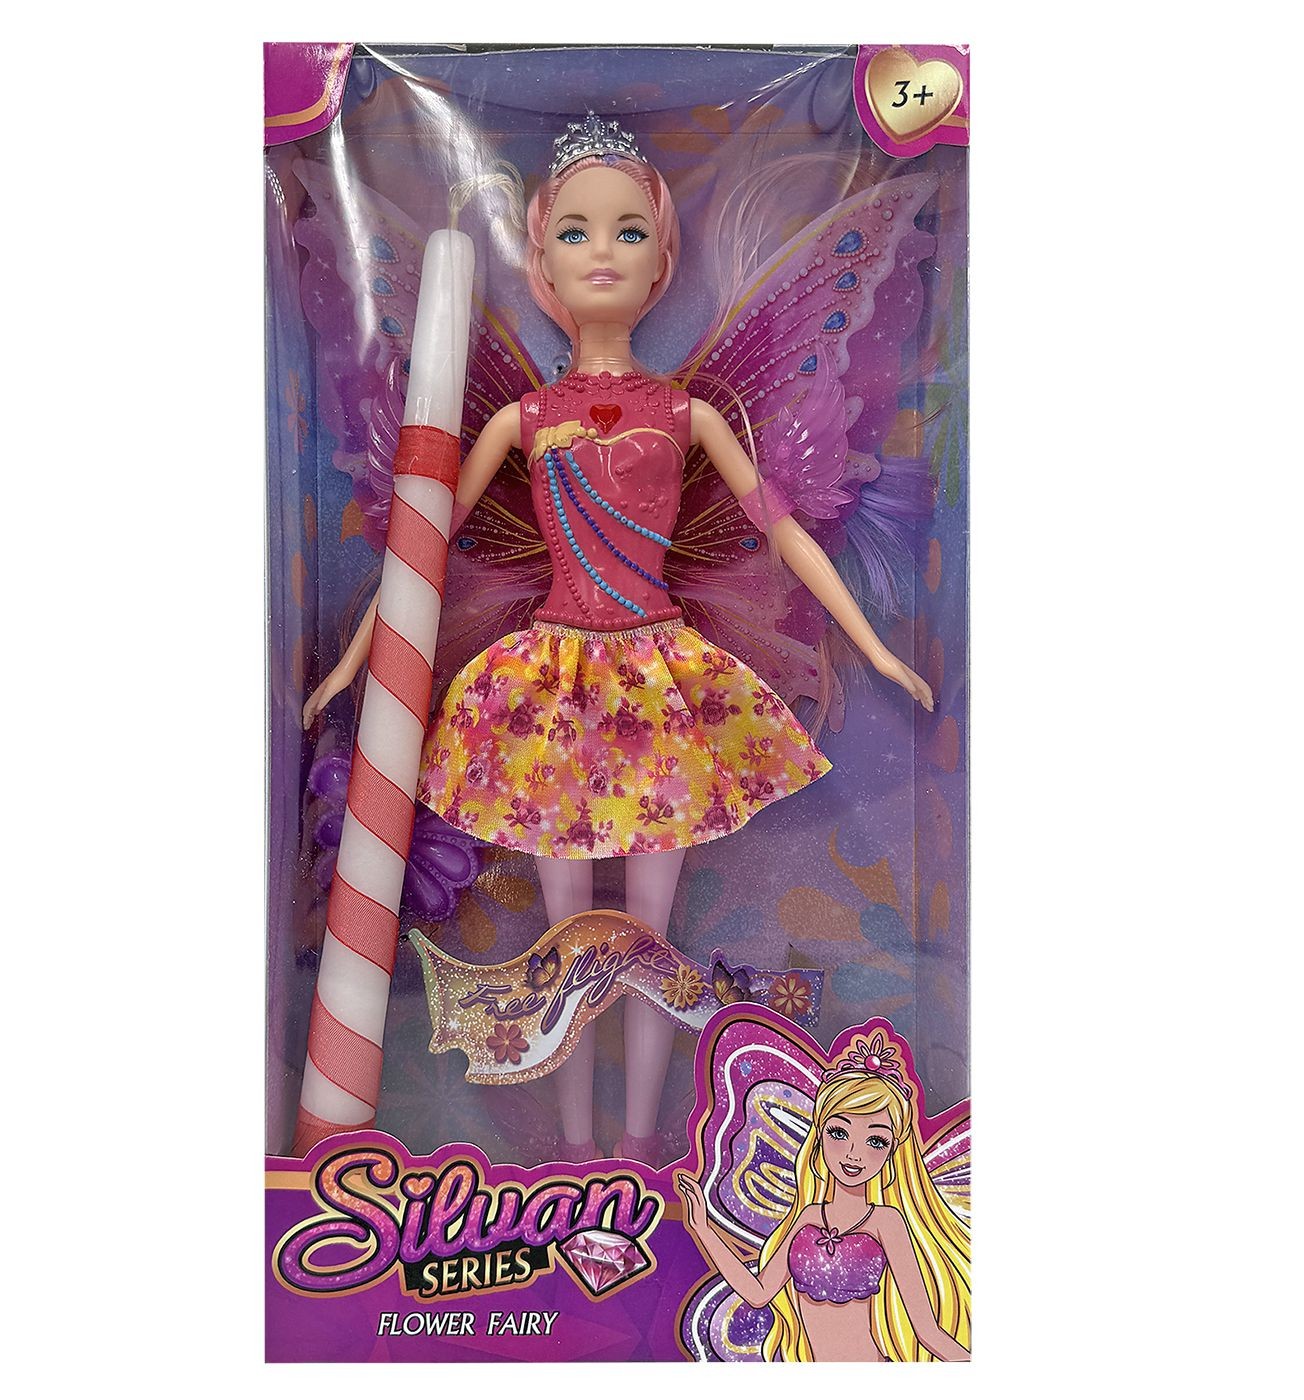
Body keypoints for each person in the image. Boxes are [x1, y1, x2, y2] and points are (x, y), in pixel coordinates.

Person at [304, 116, 933, 1163]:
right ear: (541, 263)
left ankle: (640, 1147)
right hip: (548, 684)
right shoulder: (520, 420)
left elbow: (781, 528)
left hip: (658, 680)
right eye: (577, 233)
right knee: (564, 945)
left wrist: (873, 646)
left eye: (629, 232)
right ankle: (573, 1151)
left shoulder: (689, 415)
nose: (603, 252)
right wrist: (348, 662)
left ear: (661, 262)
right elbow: (422, 549)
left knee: (650, 939)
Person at [676, 1036, 971, 1362]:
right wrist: (703, 1229)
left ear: (891, 1152)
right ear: (819, 1137)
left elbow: (926, 1330)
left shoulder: (887, 1222)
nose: (854, 1154)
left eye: (875, 1140)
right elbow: (759, 1294)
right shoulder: (808, 1217)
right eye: (839, 1133)